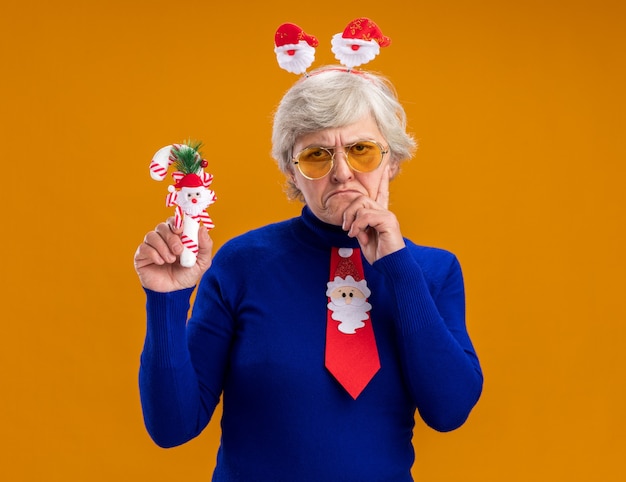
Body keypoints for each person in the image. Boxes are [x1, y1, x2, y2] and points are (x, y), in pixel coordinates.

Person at [134, 65, 483, 481]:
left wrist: (398, 267)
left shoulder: (432, 271)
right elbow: (172, 427)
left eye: (362, 150)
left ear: (392, 161)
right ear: (291, 172)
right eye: (317, 155)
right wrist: (166, 299)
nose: (341, 172)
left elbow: (450, 410)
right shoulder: (241, 264)